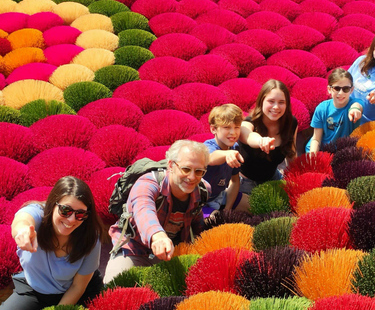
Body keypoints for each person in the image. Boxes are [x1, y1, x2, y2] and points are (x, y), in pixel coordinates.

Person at [103, 140, 211, 283]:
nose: (192, 177)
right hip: (133, 249)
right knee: (113, 286)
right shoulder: (147, 183)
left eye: (199, 171)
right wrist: (158, 236)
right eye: (186, 169)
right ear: (171, 165)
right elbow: (143, 209)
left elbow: (197, 224)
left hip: (169, 253)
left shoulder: (202, 189)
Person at [1, 176, 104, 310]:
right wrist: (23, 231)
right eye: (66, 210)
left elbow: (78, 287)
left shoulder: (90, 236)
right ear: (52, 204)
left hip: (78, 293)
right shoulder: (39, 214)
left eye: (80, 214)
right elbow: (23, 219)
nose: (71, 220)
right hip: (34, 290)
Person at [238, 79, 298, 195]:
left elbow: (291, 153)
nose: (276, 107)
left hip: (273, 179)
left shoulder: (291, 123)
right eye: (271, 101)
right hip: (245, 183)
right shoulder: (248, 123)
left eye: (281, 102)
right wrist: (261, 141)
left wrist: (296, 177)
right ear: (261, 101)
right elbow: (248, 136)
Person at [203, 104, 250, 215]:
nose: (233, 132)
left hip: (220, 195)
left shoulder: (234, 148)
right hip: (200, 202)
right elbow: (211, 158)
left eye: (236, 127)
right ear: (213, 129)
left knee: (253, 205)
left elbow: (234, 181)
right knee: (215, 219)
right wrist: (227, 154)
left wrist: (228, 209)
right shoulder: (208, 146)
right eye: (227, 127)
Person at [305, 68, 364, 153]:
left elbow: (357, 106)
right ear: (329, 89)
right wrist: (313, 155)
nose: (341, 93)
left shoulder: (355, 103)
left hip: (344, 151)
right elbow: (316, 139)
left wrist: (355, 109)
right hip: (322, 149)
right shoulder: (322, 108)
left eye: (346, 89)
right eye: (336, 88)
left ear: (351, 90)